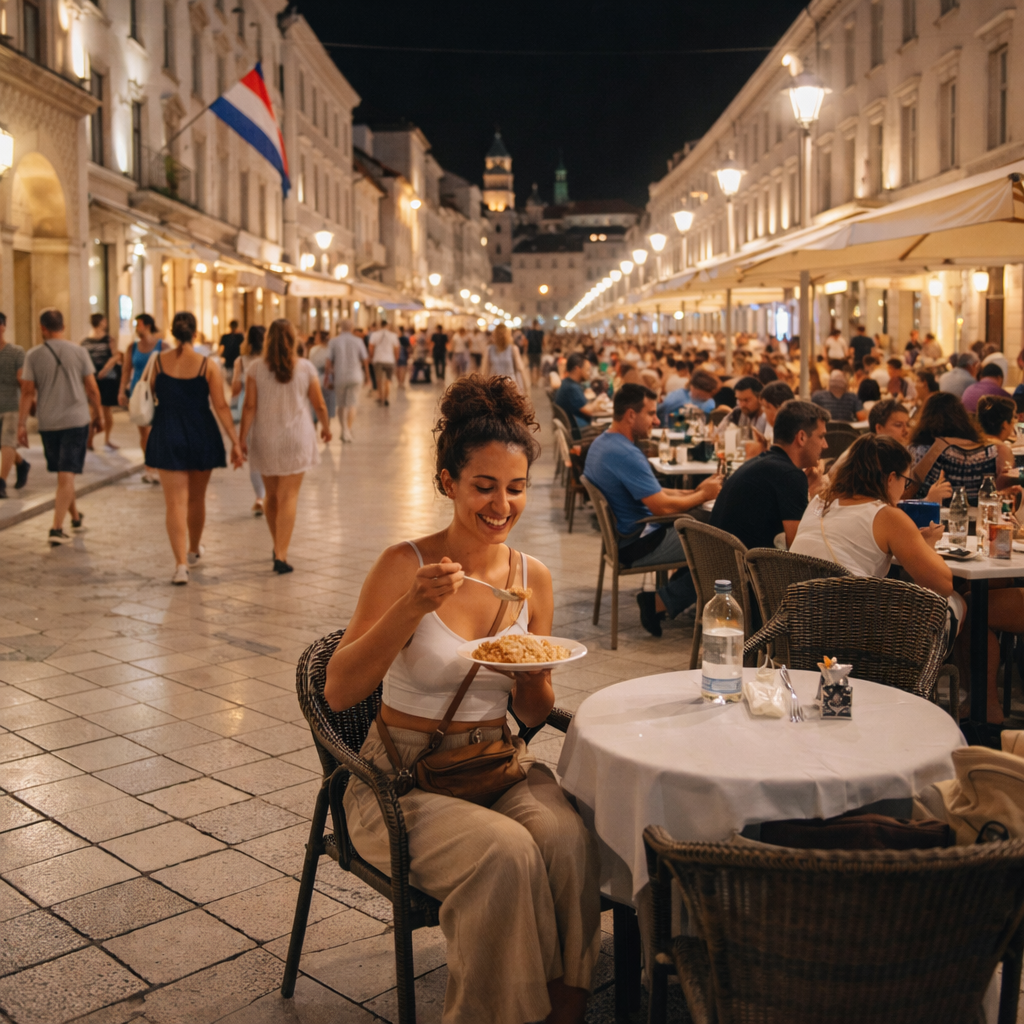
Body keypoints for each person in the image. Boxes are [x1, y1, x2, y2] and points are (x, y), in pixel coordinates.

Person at [326, 375, 601, 1024]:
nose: (501, 505)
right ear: (447, 481)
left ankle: (566, 1007)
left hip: (493, 764)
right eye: (483, 486)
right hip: (401, 780)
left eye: (515, 488)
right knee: (506, 856)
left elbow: (532, 716)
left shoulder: (532, 578)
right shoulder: (405, 564)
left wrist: (534, 677)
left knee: (567, 840)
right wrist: (413, 605)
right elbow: (340, 690)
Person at [791, 432, 1024, 724]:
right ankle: (946, 702)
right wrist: (923, 546)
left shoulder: (818, 503)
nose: (905, 489)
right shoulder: (886, 515)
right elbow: (942, 584)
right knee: (958, 602)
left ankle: (981, 708)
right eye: (906, 480)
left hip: (803, 626)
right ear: (890, 478)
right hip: (864, 636)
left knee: (971, 603)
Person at [584, 383, 722, 637]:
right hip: (637, 542)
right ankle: (659, 602)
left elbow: (656, 492)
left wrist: (695, 493)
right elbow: (662, 506)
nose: (657, 420)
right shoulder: (626, 454)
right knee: (722, 547)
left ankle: (670, 594)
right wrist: (703, 495)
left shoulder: (604, 443)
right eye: (651, 413)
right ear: (631, 415)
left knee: (711, 524)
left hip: (626, 537)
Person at [145, 311, 241, 585]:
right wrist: (235, 441)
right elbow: (221, 406)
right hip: (201, 432)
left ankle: (180, 566)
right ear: (195, 333)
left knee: (174, 503)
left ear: (174, 334)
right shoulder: (207, 365)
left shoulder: (158, 363)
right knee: (196, 499)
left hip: (167, 431)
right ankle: (194, 550)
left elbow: (151, 394)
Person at [240, 319, 330, 575]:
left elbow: (249, 406)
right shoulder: (305, 368)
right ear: (294, 341)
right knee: (289, 496)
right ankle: (281, 553)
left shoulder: (256, 368)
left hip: (265, 437)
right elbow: (319, 403)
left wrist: (240, 439)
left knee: (271, 495)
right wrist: (326, 427)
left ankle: (276, 545)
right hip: (296, 439)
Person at [17, 309, 102, 545]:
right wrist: (98, 415)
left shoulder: (33, 355)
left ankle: (75, 517)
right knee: (67, 473)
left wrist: (21, 424)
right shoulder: (79, 351)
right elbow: (93, 388)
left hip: (48, 423)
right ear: (63, 327)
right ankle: (56, 528)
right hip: (76, 420)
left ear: (42, 328)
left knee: (63, 473)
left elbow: (27, 392)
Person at [710, 400, 830, 549]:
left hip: (717, 566)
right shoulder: (789, 475)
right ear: (801, 437)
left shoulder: (760, 464)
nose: (825, 445)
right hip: (748, 570)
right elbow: (799, 548)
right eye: (821, 436)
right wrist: (815, 496)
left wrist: (806, 491)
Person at [908, 391, 1016, 503]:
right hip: (977, 512)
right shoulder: (988, 451)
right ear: (961, 416)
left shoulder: (920, 449)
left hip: (933, 513)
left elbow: (913, 492)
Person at [119, 313, 164, 484]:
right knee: (144, 432)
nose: (136, 327)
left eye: (138, 324)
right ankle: (149, 468)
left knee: (157, 432)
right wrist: (121, 391)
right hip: (138, 394)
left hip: (158, 393)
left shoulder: (162, 345)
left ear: (147, 325)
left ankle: (159, 465)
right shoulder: (133, 347)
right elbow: (126, 370)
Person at [231, 326, 267, 516]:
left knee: (254, 455)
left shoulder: (242, 361)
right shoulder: (271, 360)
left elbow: (235, 389)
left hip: (248, 407)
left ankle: (259, 497)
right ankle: (270, 493)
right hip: (269, 405)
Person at [81, 313, 121, 451]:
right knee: (93, 409)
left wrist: (105, 369)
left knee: (106, 409)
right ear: (102, 322)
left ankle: (106, 438)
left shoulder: (108, 339)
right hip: (93, 377)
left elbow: (116, 356)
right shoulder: (86, 341)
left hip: (106, 378)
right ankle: (90, 439)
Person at [0, 311, 29, 499]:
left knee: (7, 442)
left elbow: (23, 381)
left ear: (3, 327)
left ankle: (1, 482)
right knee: (4, 445)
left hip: (11, 404)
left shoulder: (16, 351)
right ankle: (22, 464)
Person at [326, 318, 368, 444]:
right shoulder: (358, 341)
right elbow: (365, 359)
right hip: (355, 375)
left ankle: (344, 430)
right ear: (352, 327)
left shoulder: (333, 341)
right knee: (352, 404)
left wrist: (329, 376)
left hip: (340, 376)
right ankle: (348, 431)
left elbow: (328, 362)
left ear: (340, 328)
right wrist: (368, 376)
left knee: (341, 405)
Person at [554, 353, 600, 432]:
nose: (589, 373)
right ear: (577, 369)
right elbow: (590, 411)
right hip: (578, 431)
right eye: (587, 370)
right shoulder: (572, 388)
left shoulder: (566, 382)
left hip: (576, 427)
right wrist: (599, 400)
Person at [482, 324, 528, 396]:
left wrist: (526, 388)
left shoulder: (513, 349)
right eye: (499, 334)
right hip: (494, 386)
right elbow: (485, 369)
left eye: (503, 334)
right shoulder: (489, 349)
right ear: (495, 335)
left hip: (510, 386)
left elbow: (520, 369)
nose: (501, 336)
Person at [306, 330, 335, 426]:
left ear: (319, 338)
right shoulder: (330, 350)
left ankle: (314, 429)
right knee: (328, 405)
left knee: (314, 405)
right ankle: (326, 428)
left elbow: (310, 364)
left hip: (315, 379)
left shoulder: (313, 350)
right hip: (328, 379)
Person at [368, 320, 400, 405]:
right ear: (388, 326)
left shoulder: (374, 334)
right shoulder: (393, 335)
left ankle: (381, 397)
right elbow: (396, 349)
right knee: (388, 380)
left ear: (380, 325)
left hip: (378, 360)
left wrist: (371, 357)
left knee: (379, 380)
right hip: (390, 360)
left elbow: (371, 347)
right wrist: (396, 359)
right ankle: (386, 398)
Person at [525, 319, 545, 385]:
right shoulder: (540, 332)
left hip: (531, 351)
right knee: (537, 367)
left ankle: (533, 381)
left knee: (532, 367)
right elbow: (543, 342)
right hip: (537, 351)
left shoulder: (530, 332)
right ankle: (535, 381)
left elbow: (527, 342)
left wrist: (526, 350)